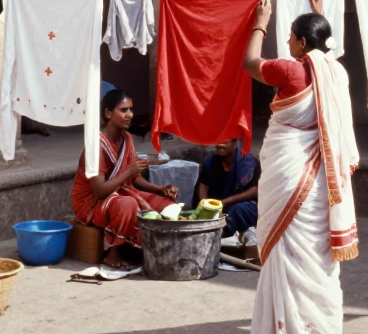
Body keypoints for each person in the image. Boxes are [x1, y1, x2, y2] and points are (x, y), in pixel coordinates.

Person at [243, 0, 359, 334]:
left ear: (301, 43)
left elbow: (250, 62)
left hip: (291, 181)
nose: (287, 42)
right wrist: (319, 12)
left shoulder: (292, 70)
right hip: (320, 190)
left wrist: (260, 24)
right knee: (321, 272)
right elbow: (325, 53)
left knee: (291, 272)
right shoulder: (335, 71)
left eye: (291, 37)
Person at [71, 89, 179, 269]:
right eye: (123, 110)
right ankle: (114, 252)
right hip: (91, 202)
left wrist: (159, 189)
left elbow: (134, 179)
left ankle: (156, 249)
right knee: (128, 205)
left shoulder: (126, 138)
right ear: (108, 113)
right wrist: (130, 171)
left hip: (121, 193)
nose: (130, 114)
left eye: (130, 109)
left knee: (167, 204)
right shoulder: (96, 146)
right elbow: (99, 191)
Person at [197, 140, 260, 237]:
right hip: (217, 206)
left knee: (237, 211)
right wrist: (205, 203)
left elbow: (254, 191)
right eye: (217, 142)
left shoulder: (248, 162)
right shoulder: (210, 161)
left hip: (242, 206)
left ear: (234, 143)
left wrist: (225, 202)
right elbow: (203, 184)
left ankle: (216, 236)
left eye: (225, 142)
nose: (220, 145)